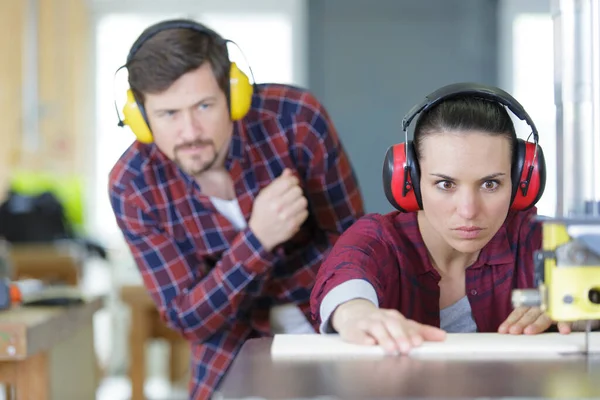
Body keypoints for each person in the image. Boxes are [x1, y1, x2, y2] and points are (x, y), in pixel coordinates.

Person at [108, 19, 364, 399]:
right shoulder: (133, 186)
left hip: (329, 317)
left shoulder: (295, 121)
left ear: (233, 93)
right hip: (227, 346)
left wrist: (225, 283)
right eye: (168, 114)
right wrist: (258, 241)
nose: (190, 131)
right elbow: (189, 319)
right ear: (140, 118)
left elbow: (354, 250)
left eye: (204, 105)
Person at [310, 82, 596, 356]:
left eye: (490, 184)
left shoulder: (540, 239)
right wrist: (357, 313)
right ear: (411, 181)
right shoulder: (378, 239)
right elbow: (346, 278)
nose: (468, 210)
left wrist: (586, 311)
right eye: (446, 184)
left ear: (521, 182)